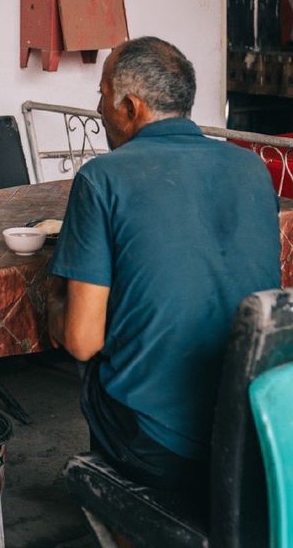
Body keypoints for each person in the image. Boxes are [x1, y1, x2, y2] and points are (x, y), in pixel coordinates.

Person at [48, 36, 280, 504]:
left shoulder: (102, 178)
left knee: (94, 360)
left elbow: (81, 340)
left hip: (160, 445)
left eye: (102, 94)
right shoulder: (252, 169)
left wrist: (53, 299)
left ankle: (126, 512)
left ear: (130, 106)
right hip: (252, 427)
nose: (98, 107)